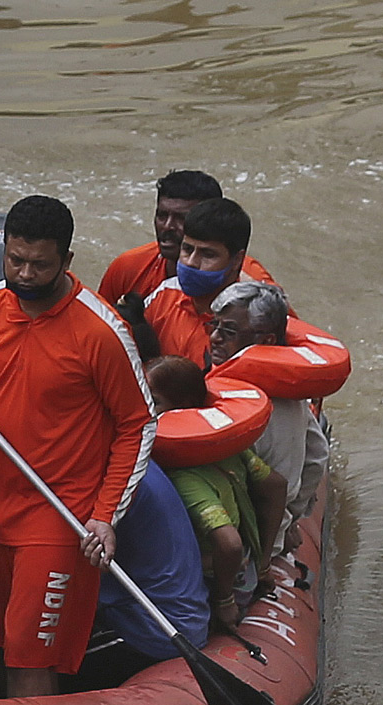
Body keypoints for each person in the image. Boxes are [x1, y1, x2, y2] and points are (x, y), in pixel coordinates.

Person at [0, 195, 155, 698]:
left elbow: (138, 424)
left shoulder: (101, 331)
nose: (24, 275)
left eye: (39, 265)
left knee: (30, 656)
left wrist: (105, 515)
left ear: (66, 261)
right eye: (15, 261)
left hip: (58, 518)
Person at [146, 356, 287, 627]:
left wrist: (224, 600)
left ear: (184, 407)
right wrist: (264, 561)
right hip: (244, 569)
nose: (143, 409)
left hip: (213, 584)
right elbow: (276, 486)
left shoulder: (183, 475)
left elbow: (229, 543)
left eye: (154, 402)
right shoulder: (229, 448)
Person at [65, 459, 210, 692]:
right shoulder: (136, 465)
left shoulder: (107, 487)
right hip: (182, 617)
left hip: (154, 630)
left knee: (42, 661)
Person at [209, 282, 330, 555]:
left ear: (267, 342)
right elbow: (317, 456)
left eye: (229, 331)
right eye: (214, 325)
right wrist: (294, 517)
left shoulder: (263, 409)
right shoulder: (293, 397)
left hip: (247, 550)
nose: (215, 337)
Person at [98, 170, 275, 305]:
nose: (167, 226)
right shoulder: (128, 267)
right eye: (162, 215)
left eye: (181, 218)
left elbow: (294, 342)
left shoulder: (254, 284)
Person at [141, 197, 269, 371]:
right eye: (187, 249)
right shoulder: (163, 295)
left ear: (237, 260)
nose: (191, 262)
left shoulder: (255, 322)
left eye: (207, 254)